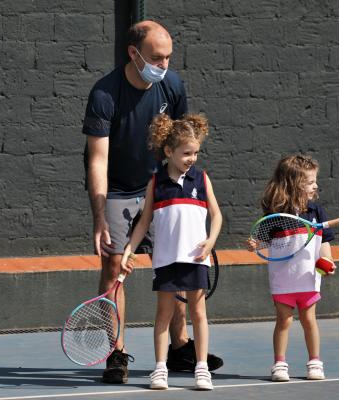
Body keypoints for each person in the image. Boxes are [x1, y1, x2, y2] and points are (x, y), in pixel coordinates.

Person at [82, 20, 222, 384]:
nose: (163, 64)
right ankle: (116, 353)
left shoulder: (172, 86)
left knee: (176, 261)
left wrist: (181, 193)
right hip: (116, 190)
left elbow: (180, 142)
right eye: (156, 57)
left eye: (168, 57)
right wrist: (99, 216)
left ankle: (179, 347)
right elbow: (97, 159)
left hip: (160, 186)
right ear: (134, 53)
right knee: (114, 268)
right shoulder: (104, 94)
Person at [121, 113, 222, 390]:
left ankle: (201, 368)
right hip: (166, 260)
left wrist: (211, 241)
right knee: (163, 314)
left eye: (196, 152)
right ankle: (160, 369)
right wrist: (129, 249)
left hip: (196, 259)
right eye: (186, 153)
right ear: (169, 151)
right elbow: (143, 222)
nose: (192, 158)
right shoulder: (157, 182)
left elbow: (217, 215)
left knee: (198, 314)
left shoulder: (201, 179)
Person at [246, 155, 337, 382]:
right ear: (293, 184)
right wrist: (255, 245)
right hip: (283, 279)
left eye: (315, 180)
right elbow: (264, 242)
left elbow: (324, 243)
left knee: (309, 320)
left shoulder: (316, 212)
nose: (315, 185)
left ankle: (315, 363)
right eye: (309, 181)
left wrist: (328, 261)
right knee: (283, 321)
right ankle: (279, 364)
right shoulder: (276, 214)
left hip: (308, 278)